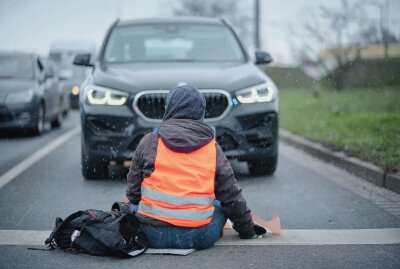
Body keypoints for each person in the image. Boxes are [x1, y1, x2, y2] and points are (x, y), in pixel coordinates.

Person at [125, 85, 263, 249]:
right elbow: (232, 196)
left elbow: (133, 194)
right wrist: (247, 231)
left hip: (152, 235)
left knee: (134, 205)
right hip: (197, 236)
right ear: (201, 112)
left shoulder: (149, 141)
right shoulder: (212, 148)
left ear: (168, 109)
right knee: (222, 203)